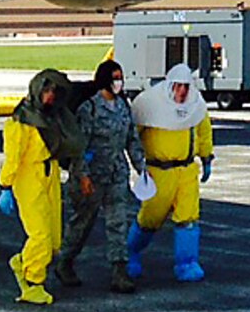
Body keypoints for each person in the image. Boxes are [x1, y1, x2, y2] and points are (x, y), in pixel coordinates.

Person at [59, 58, 146, 293]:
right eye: (114, 78)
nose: (118, 82)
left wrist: (141, 168)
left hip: (117, 173)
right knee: (82, 223)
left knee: (118, 223)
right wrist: (83, 177)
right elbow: (80, 147)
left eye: (120, 78)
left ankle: (119, 271)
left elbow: (131, 140)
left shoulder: (123, 106)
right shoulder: (89, 108)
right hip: (92, 176)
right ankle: (64, 261)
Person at [0, 68, 83, 305]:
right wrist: (6, 186)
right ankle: (32, 283)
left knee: (55, 240)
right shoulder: (21, 122)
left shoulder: (52, 117)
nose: (50, 97)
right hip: (28, 177)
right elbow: (13, 157)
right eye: (46, 91)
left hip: (50, 173)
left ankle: (24, 262)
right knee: (41, 236)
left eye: (54, 92)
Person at [125, 63, 215, 283]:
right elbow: (132, 133)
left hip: (186, 171)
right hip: (159, 171)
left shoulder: (196, 106)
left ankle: (187, 263)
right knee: (149, 219)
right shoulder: (150, 104)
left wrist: (206, 156)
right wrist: (134, 160)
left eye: (186, 86)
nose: (182, 91)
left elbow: (203, 131)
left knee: (188, 218)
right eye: (178, 86)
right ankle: (129, 254)